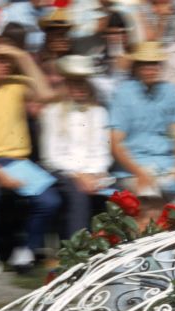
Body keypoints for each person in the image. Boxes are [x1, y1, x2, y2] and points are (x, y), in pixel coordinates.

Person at [0, 36, 61, 277]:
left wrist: (21, 56)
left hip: (17, 161)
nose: (4, 64)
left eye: (7, 60)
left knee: (49, 201)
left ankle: (26, 252)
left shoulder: (17, 84)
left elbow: (47, 94)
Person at [108, 41, 175, 202]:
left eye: (154, 64)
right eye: (145, 65)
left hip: (167, 165)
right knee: (151, 203)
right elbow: (116, 142)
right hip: (134, 168)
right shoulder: (123, 93)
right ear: (136, 67)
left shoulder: (172, 91)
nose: (150, 69)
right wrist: (140, 173)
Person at [40, 54, 114, 239]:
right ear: (66, 86)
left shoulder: (99, 112)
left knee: (118, 196)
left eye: (83, 83)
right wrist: (79, 175)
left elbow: (103, 149)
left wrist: (96, 172)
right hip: (63, 171)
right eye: (74, 83)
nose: (79, 88)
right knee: (78, 194)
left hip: (93, 172)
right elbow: (51, 155)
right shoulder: (53, 112)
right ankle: (78, 249)